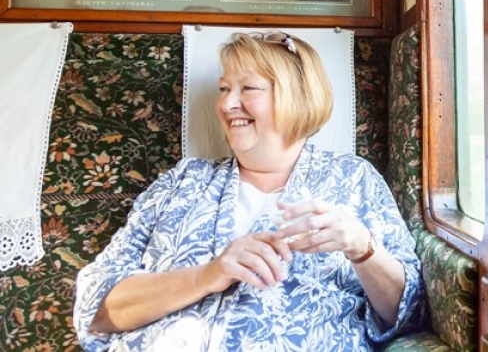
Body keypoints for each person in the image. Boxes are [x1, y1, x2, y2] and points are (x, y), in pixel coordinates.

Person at [74, 31, 423, 351]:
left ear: (297, 97)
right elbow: (97, 310)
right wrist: (208, 274)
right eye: (224, 89)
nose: (226, 105)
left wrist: (362, 248)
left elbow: (407, 314)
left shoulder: (353, 180)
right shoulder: (182, 183)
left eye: (248, 89)